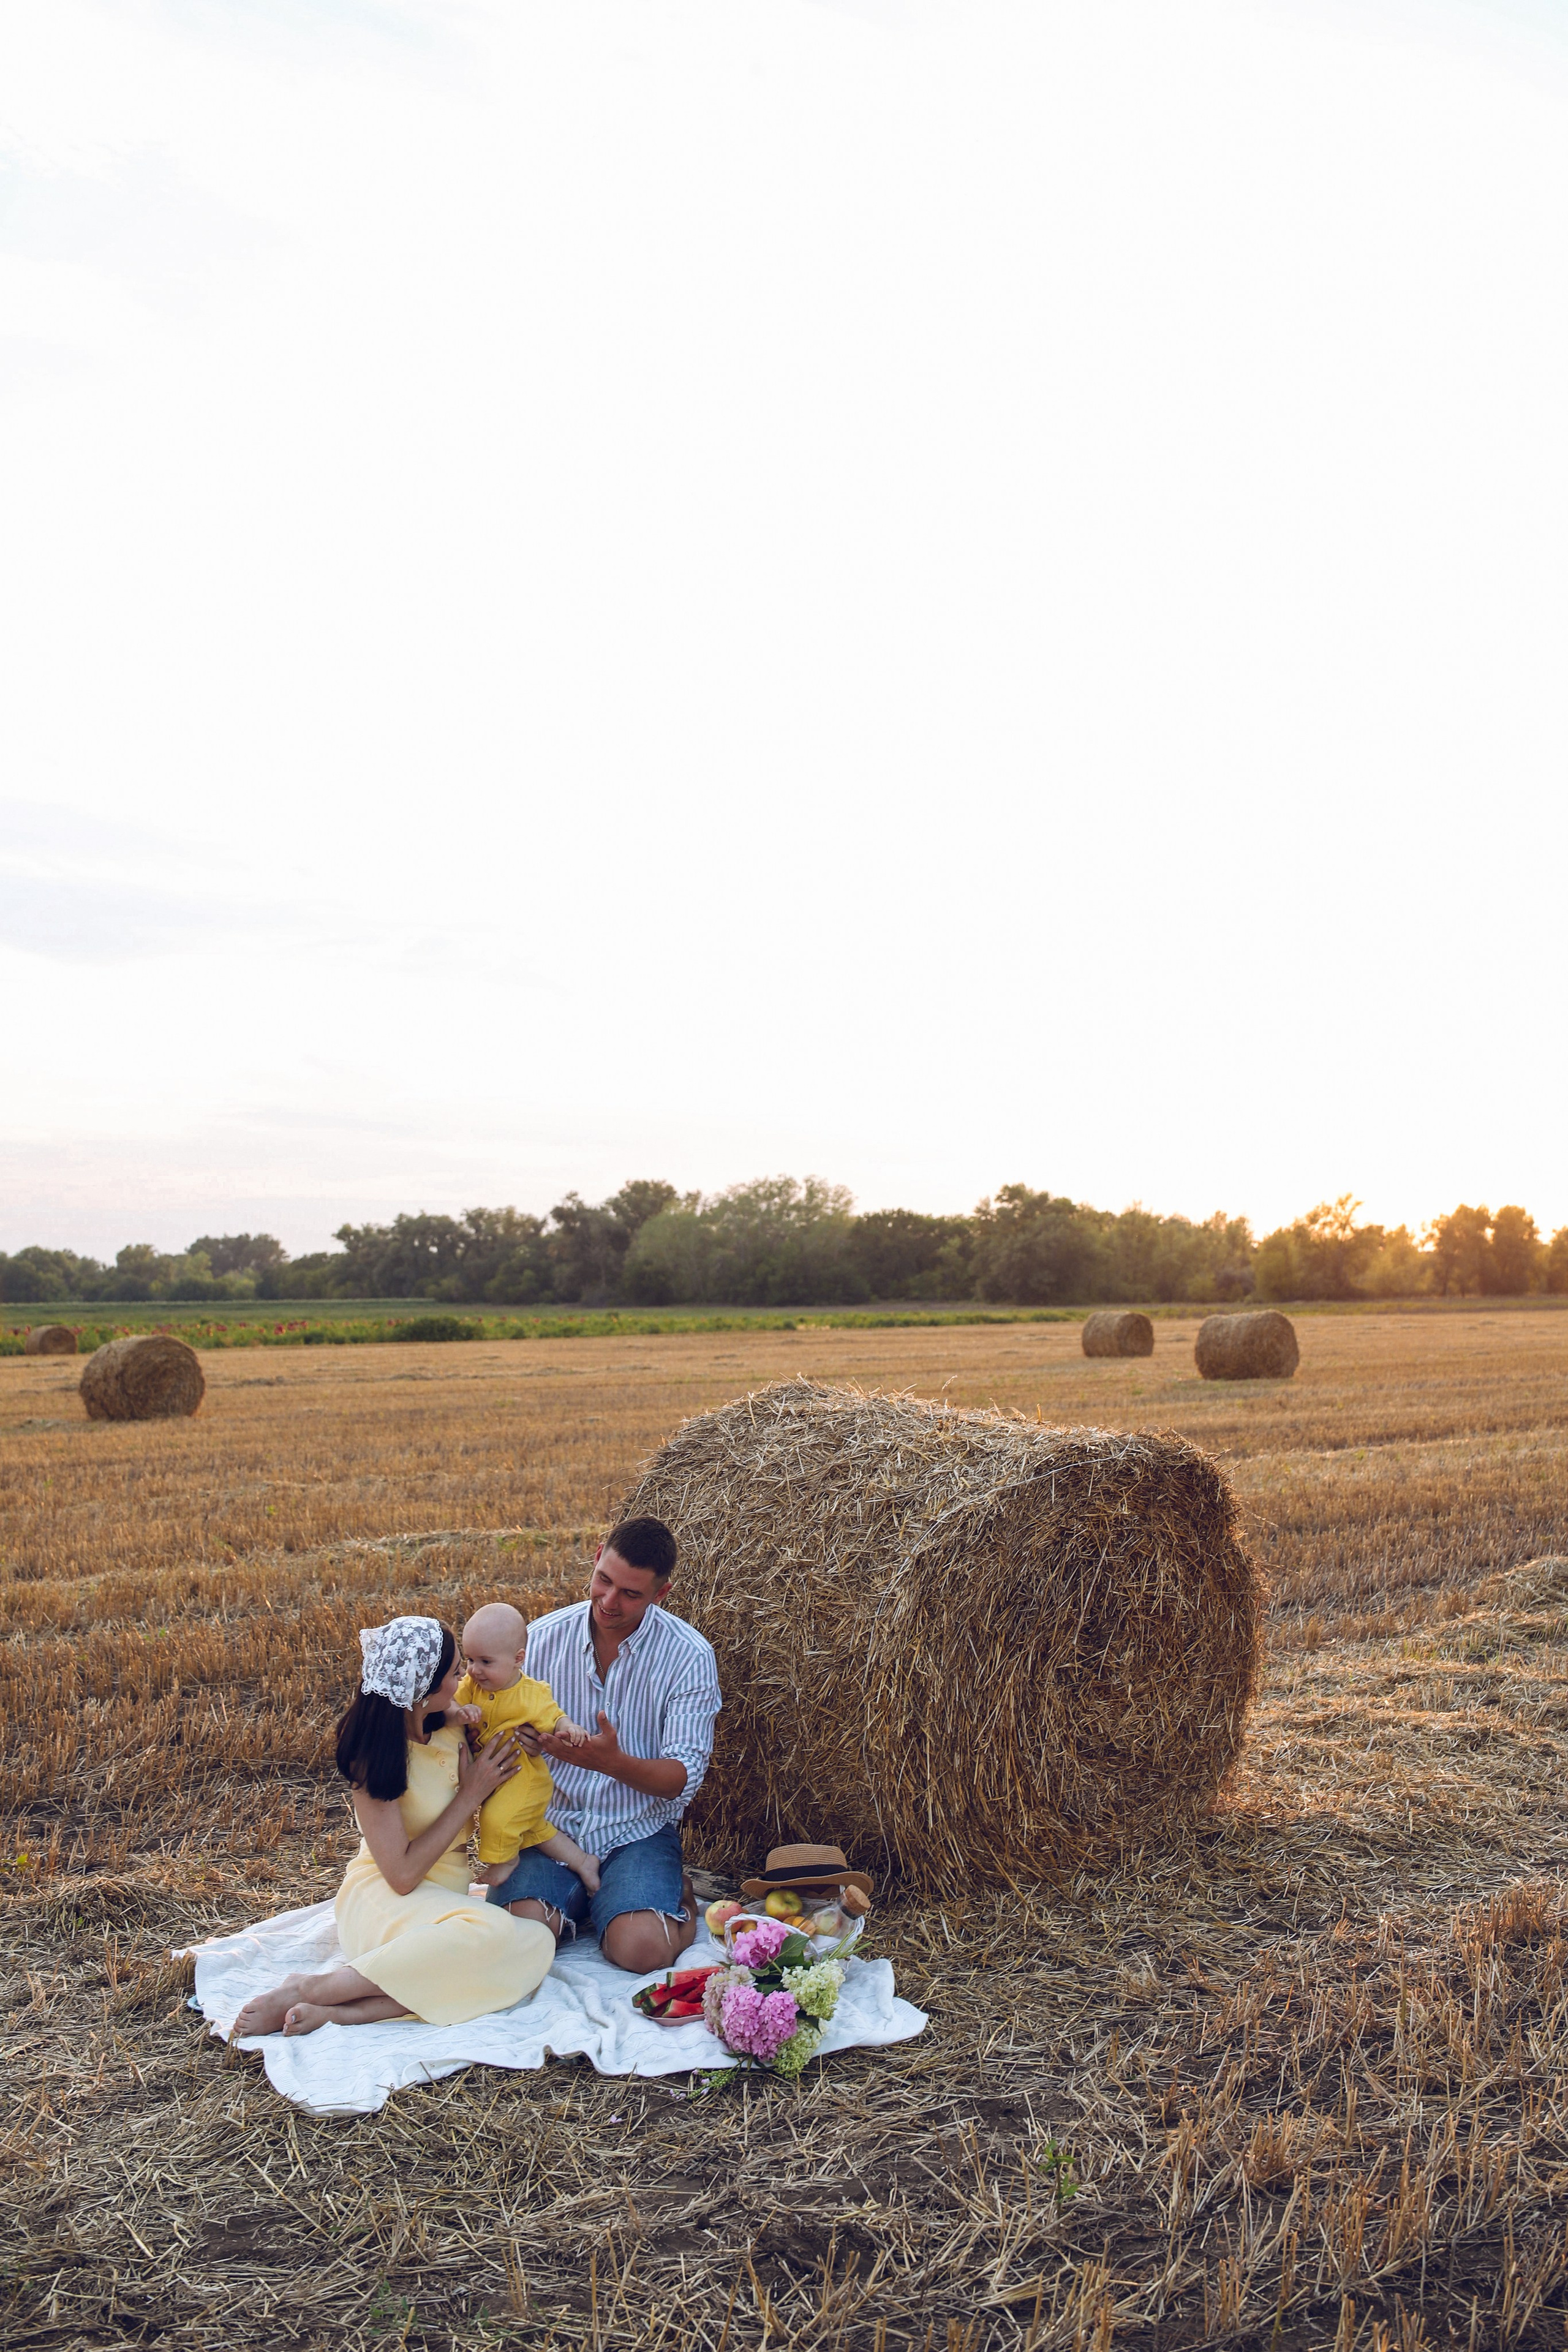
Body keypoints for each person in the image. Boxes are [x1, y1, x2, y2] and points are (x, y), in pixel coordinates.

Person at [232, 1616, 555, 2037]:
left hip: (443, 1905)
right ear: (424, 1690)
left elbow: (513, 1743)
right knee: (490, 1935)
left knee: (535, 1942)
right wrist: (470, 1794)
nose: (464, 1680)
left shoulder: (454, 1728)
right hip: (387, 1897)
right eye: (455, 1673)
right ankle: (314, 1988)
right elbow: (401, 1877)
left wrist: (531, 1743)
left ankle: (342, 2013)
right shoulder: (375, 1757)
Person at [486, 1515, 721, 1975]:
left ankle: (674, 1899)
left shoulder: (689, 1656)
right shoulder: (538, 1641)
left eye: (631, 1594)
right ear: (596, 1558)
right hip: (549, 1829)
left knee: (642, 1951)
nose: (609, 1602)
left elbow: (681, 1778)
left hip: (638, 1830)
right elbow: (489, 1722)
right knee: (516, 1937)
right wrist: (516, 1738)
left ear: (661, 1593)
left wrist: (611, 1763)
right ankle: (597, 1903)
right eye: (604, 1581)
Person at [454, 1600, 600, 1896]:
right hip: (500, 1776)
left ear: (518, 1659)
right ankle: (584, 1862)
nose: (475, 1670)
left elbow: (555, 1718)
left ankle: (505, 1860)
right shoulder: (473, 1685)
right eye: (469, 1660)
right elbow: (452, 1703)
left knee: (497, 1819)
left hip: (523, 1778)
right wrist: (459, 1713)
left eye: (486, 1662)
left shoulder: (532, 1695)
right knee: (534, 1830)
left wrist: (570, 1728)